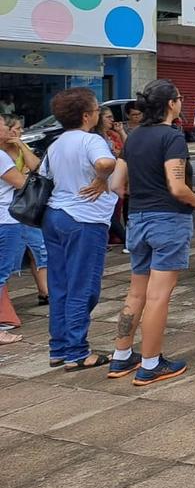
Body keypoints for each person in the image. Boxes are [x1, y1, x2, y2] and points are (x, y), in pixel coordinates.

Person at [108, 81, 195, 385]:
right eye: (179, 99)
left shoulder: (133, 138)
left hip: (136, 219)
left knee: (137, 292)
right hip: (168, 221)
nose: (180, 102)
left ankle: (121, 356)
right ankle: (151, 363)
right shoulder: (172, 137)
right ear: (171, 105)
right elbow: (177, 187)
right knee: (159, 296)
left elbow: (115, 185)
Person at [42, 88, 117, 370]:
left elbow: (45, 174)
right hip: (84, 219)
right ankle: (77, 352)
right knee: (83, 287)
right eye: (97, 110)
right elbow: (106, 162)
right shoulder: (90, 140)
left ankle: (58, 348)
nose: (99, 114)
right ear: (86, 115)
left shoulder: (56, 143)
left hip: (54, 216)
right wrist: (101, 179)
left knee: (59, 285)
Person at [3, 118, 49, 306]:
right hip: (10, 210)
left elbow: (38, 168)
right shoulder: (1, 155)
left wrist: (21, 145)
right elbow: (22, 181)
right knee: (7, 263)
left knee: (39, 248)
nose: (18, 132)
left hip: (25, 208)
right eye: (14, 128)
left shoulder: (19, 148)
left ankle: (45, 292)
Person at [0, 115, 27, 344]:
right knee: (1, 273)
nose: (6, 129)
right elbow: (22, 183)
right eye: (2, 125)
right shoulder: (0, 157)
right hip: (5, 220)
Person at [95, 107, 127, 248]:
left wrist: (120, 132)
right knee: (108, 213)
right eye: (108, 117)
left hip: (115, 178)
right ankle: (125, 239)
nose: (111, 120)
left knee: (115, 210)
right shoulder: (94, 138)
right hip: (102, 181)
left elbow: (128, 149)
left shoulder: (112, 135)